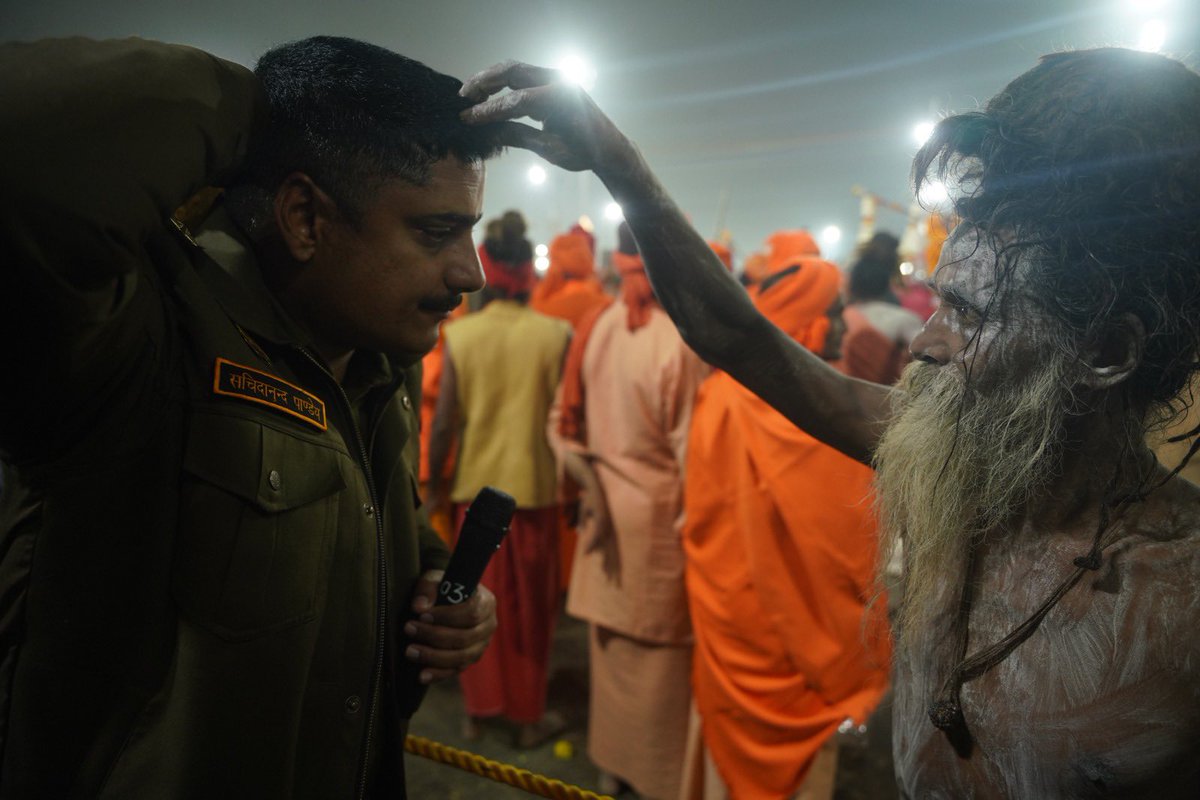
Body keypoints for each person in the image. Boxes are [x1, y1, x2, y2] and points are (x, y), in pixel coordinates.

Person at [461, 46, 1200, 796]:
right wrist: (617, 163)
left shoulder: (1182, 597)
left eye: (970, 316)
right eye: (941, 301)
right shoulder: (942, 461)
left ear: (1106, 352)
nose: (925, 340)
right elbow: (739, 338)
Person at [0, 36, 504, 798]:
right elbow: (22, 152)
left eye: (469, 229)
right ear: (304, 216)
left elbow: (366, 508)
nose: (470, 272)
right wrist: (262, 107)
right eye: (435, 233)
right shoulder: (143, 343)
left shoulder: (377, 361)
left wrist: (433, 581)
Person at [681, 255, 890, 800]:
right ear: (808, 321)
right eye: (835, 311)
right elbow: (849, 549)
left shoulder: (718, 391)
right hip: (794, 643)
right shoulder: (825, 423)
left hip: (731, 616)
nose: (847, 325)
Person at [548, 224, 709, 800]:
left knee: (615, 659)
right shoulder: (680, 341)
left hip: (605, 518)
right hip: (661, 528)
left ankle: (612, 771)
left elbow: (561, 427)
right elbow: (696, 460)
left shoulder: (598, 325)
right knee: (660, 675)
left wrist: (590, 485)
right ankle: (658, 782)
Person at [427, 226, 571, 748]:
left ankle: (479, 713)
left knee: (472, 601)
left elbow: (443, 424)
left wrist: (436, 487)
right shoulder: (556, 335)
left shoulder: (462, 336)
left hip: (475, 496)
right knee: (530, 615)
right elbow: (566, 421)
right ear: (528, 273)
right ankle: (528, 716)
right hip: (534, 494)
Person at [840, 232, 924, 384]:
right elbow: (924, 360)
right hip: (881, 399)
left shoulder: (840, 317)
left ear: (852, 284)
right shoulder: (905, 319)